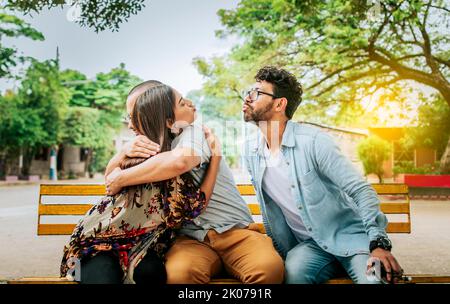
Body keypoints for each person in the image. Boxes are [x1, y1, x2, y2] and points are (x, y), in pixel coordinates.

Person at [105, 81, 284, 284]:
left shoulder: (194, 132)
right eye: (131, 115)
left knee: (268, 271)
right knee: (180, 276)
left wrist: (121, 177)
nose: (130, 124)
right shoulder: (151, 144)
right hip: (190, 239)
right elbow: (109, 183)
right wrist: (121, 154)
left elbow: (181, 161)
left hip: (236, 232)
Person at [242, 66, 403, 284]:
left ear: (280, 104)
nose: (248, 97)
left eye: (258, 93)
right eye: (250, 91)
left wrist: (379, 243)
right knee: (292, 276)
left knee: (374, 280)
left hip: (356, 240)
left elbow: (361, 190)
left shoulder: (314, 142)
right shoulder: (252, 152)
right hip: (310, 248)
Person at [60, 80, 221, 284]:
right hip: (97, 243)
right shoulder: (146, 155)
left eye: (134, 116)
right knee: (102, 275)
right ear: (168, 120)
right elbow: (111, 183)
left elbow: (113, 180)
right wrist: (216, 157)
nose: (130, 124)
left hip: (143, 246)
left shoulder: (167, 156)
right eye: (181, 103)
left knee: (151, 273)